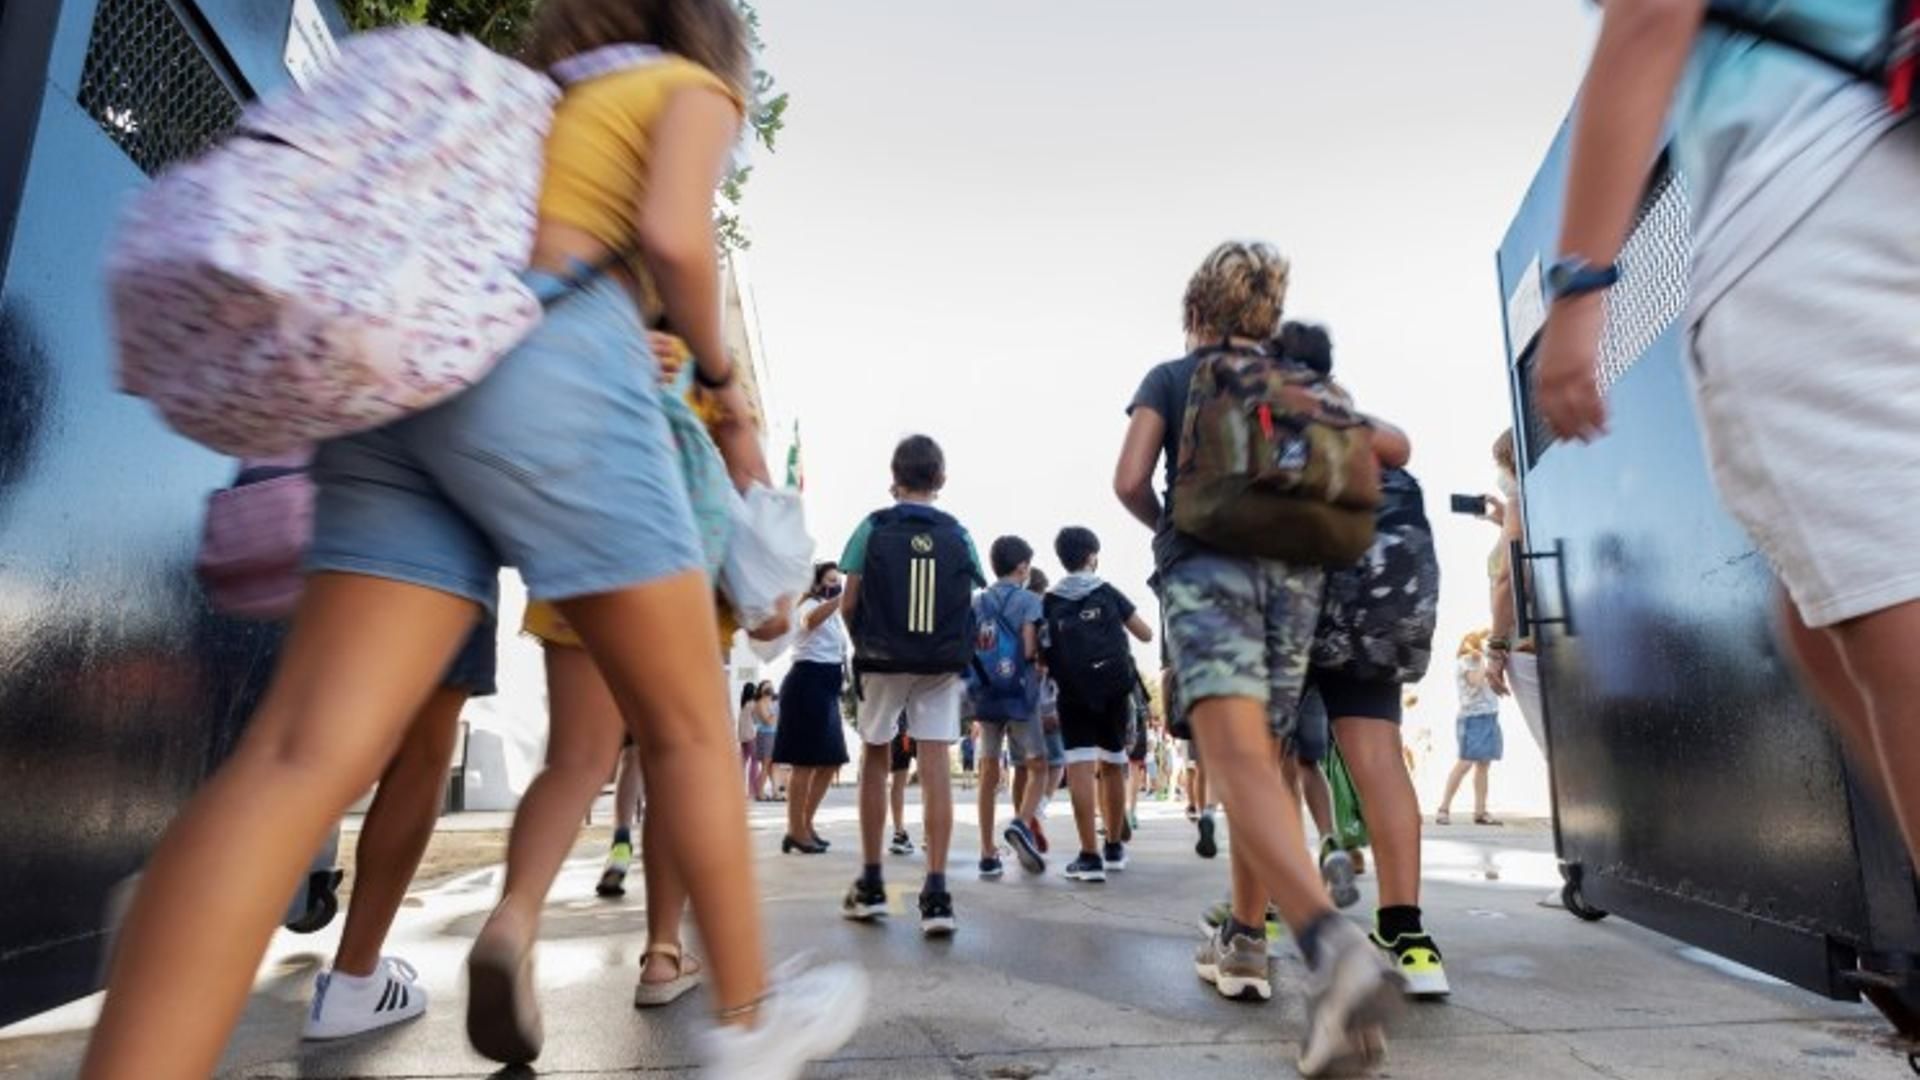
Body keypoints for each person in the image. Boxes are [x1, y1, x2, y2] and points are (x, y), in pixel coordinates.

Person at [79, 3, 868, 1074]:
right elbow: (681, 242)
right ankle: (749, 1017)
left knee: (298, 752)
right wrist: (721, 379)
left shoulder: (523, 102)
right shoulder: (687, 92)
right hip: (559, 371)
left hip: (410, 374)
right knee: (685, 724)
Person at [1532, 1, 1920, 909]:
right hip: (1886, 143)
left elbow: (1654, 11)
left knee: (1886, 616)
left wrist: (1581, 286)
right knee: (1817, 622)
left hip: (1814, 195)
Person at [1113, 240, 1403, 1076]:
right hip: (1301, 580)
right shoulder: (1305, 388)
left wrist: (1169, 527)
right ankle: (1245, 940)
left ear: (1196, 312)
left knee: (1230, 758)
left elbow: (1130, 476)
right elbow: (1388, 452)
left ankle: (1327, 944)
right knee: (1263, 766)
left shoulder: (1178, 375)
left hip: (1209, 567)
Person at [303, 623, 497, 1040]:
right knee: (422, 751)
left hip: (322, 571)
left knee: (289, 753)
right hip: (440, 568)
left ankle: (175, 997)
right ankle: (353, 982)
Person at [838, 435, 986, 937]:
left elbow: (847, 602)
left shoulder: (873, 526)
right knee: (936, 765)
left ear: (894, 476)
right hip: (940, 661)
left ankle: (873, 882)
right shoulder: (959, 533)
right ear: (940, 480)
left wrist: (867, 644)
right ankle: (938, 892)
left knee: (876, 756)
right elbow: (968, 598)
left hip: (882, 657)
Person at [1044, 526, 1154, 883]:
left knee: (1079, 766)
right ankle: (1114, 847)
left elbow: (1040, 654)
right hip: (1114, 688)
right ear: (1092, 555)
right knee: (1113, 763)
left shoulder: (1050, 601)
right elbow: (1145, 633)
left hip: (1073, 692)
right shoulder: (1107, 592)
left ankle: (1088, 856)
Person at [969, 535, 1050, 878]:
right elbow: (1031, 649)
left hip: (985, 693)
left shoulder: (977, 601)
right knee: (1036, 765)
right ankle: (1019, 823)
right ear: (1022, 567)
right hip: (1020, 693)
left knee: (988, 771)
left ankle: (987, 852)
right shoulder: (1030, 601)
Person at [773, 562, 853, 854]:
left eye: (839, 581)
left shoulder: (832, 612)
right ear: (816, 583)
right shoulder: (806, 604)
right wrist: (840, 599)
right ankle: (796, 830)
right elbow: (808, 623)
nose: (837, 585)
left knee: (831, 760)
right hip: (807, 683)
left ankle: (804, 824)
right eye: (831, 580)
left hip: (827, 688)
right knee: (804, 763)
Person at [1481, 431, 1545, 755]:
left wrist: (1495, 648)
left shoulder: (1518, 504)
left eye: (1499, 463)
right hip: (1560, 638)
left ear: (1511, 464)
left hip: (1526, 645)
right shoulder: (1542, 500)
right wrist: (1502, 522)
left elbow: (1509, 578)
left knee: (1555, 750)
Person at [1438, 632, 1503, 827]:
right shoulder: (1467, 660)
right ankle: (1443, 809)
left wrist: (1496, 663)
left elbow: (1494, 685)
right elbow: (1475, 681)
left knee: (1484, 765)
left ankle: (1480, 812)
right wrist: (1483, 659)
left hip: (1489, 716)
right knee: (1465, 763)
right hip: (1472, 718)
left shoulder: (1483, 662)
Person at [887, 716, 917, 856]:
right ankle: (930, 836)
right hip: (922, 728)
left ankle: (899, 834)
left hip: (899, 731)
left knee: (897, 783)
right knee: (930, 782)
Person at [751, 681, 778, 801]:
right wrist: (777, 712)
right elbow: (768, 721)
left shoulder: (771, 703)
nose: (770, 688)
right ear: (761, 689)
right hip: (766, 736)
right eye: (767, 686)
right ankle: (759, 793)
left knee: (771, 766)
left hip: (772, 735)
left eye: (771, 686)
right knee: (766, 766)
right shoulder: (760, 703)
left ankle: (776, 792)